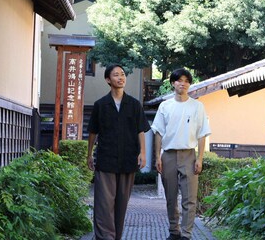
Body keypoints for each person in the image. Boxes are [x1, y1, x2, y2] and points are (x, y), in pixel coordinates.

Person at [87, 64, 150, 240]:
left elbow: (140, 130)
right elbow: (93, 132)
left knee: (121, 205)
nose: (121, 77)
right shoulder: (100, 105)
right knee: (103, 204)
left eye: (123, 74)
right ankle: (104, 237)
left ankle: (115, 237)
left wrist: (142, 153)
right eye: (116, 75)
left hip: (128, 161)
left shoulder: (134, 104)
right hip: (106, 160)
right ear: (108, 80)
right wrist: (89, 154)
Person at [151, 68, 211, 240]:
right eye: (179, 80)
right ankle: (174, 231)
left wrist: (200, 158)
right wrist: (157, 157)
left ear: (189, 84)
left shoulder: (198, 106)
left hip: (189, 155)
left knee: (189, 198)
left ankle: (186, 234)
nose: (182, 83)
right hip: (168, 155)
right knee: (170, 197)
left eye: (186, 80)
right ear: (172, 83)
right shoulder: (165, 106)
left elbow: (202, 134)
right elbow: (158, 133)